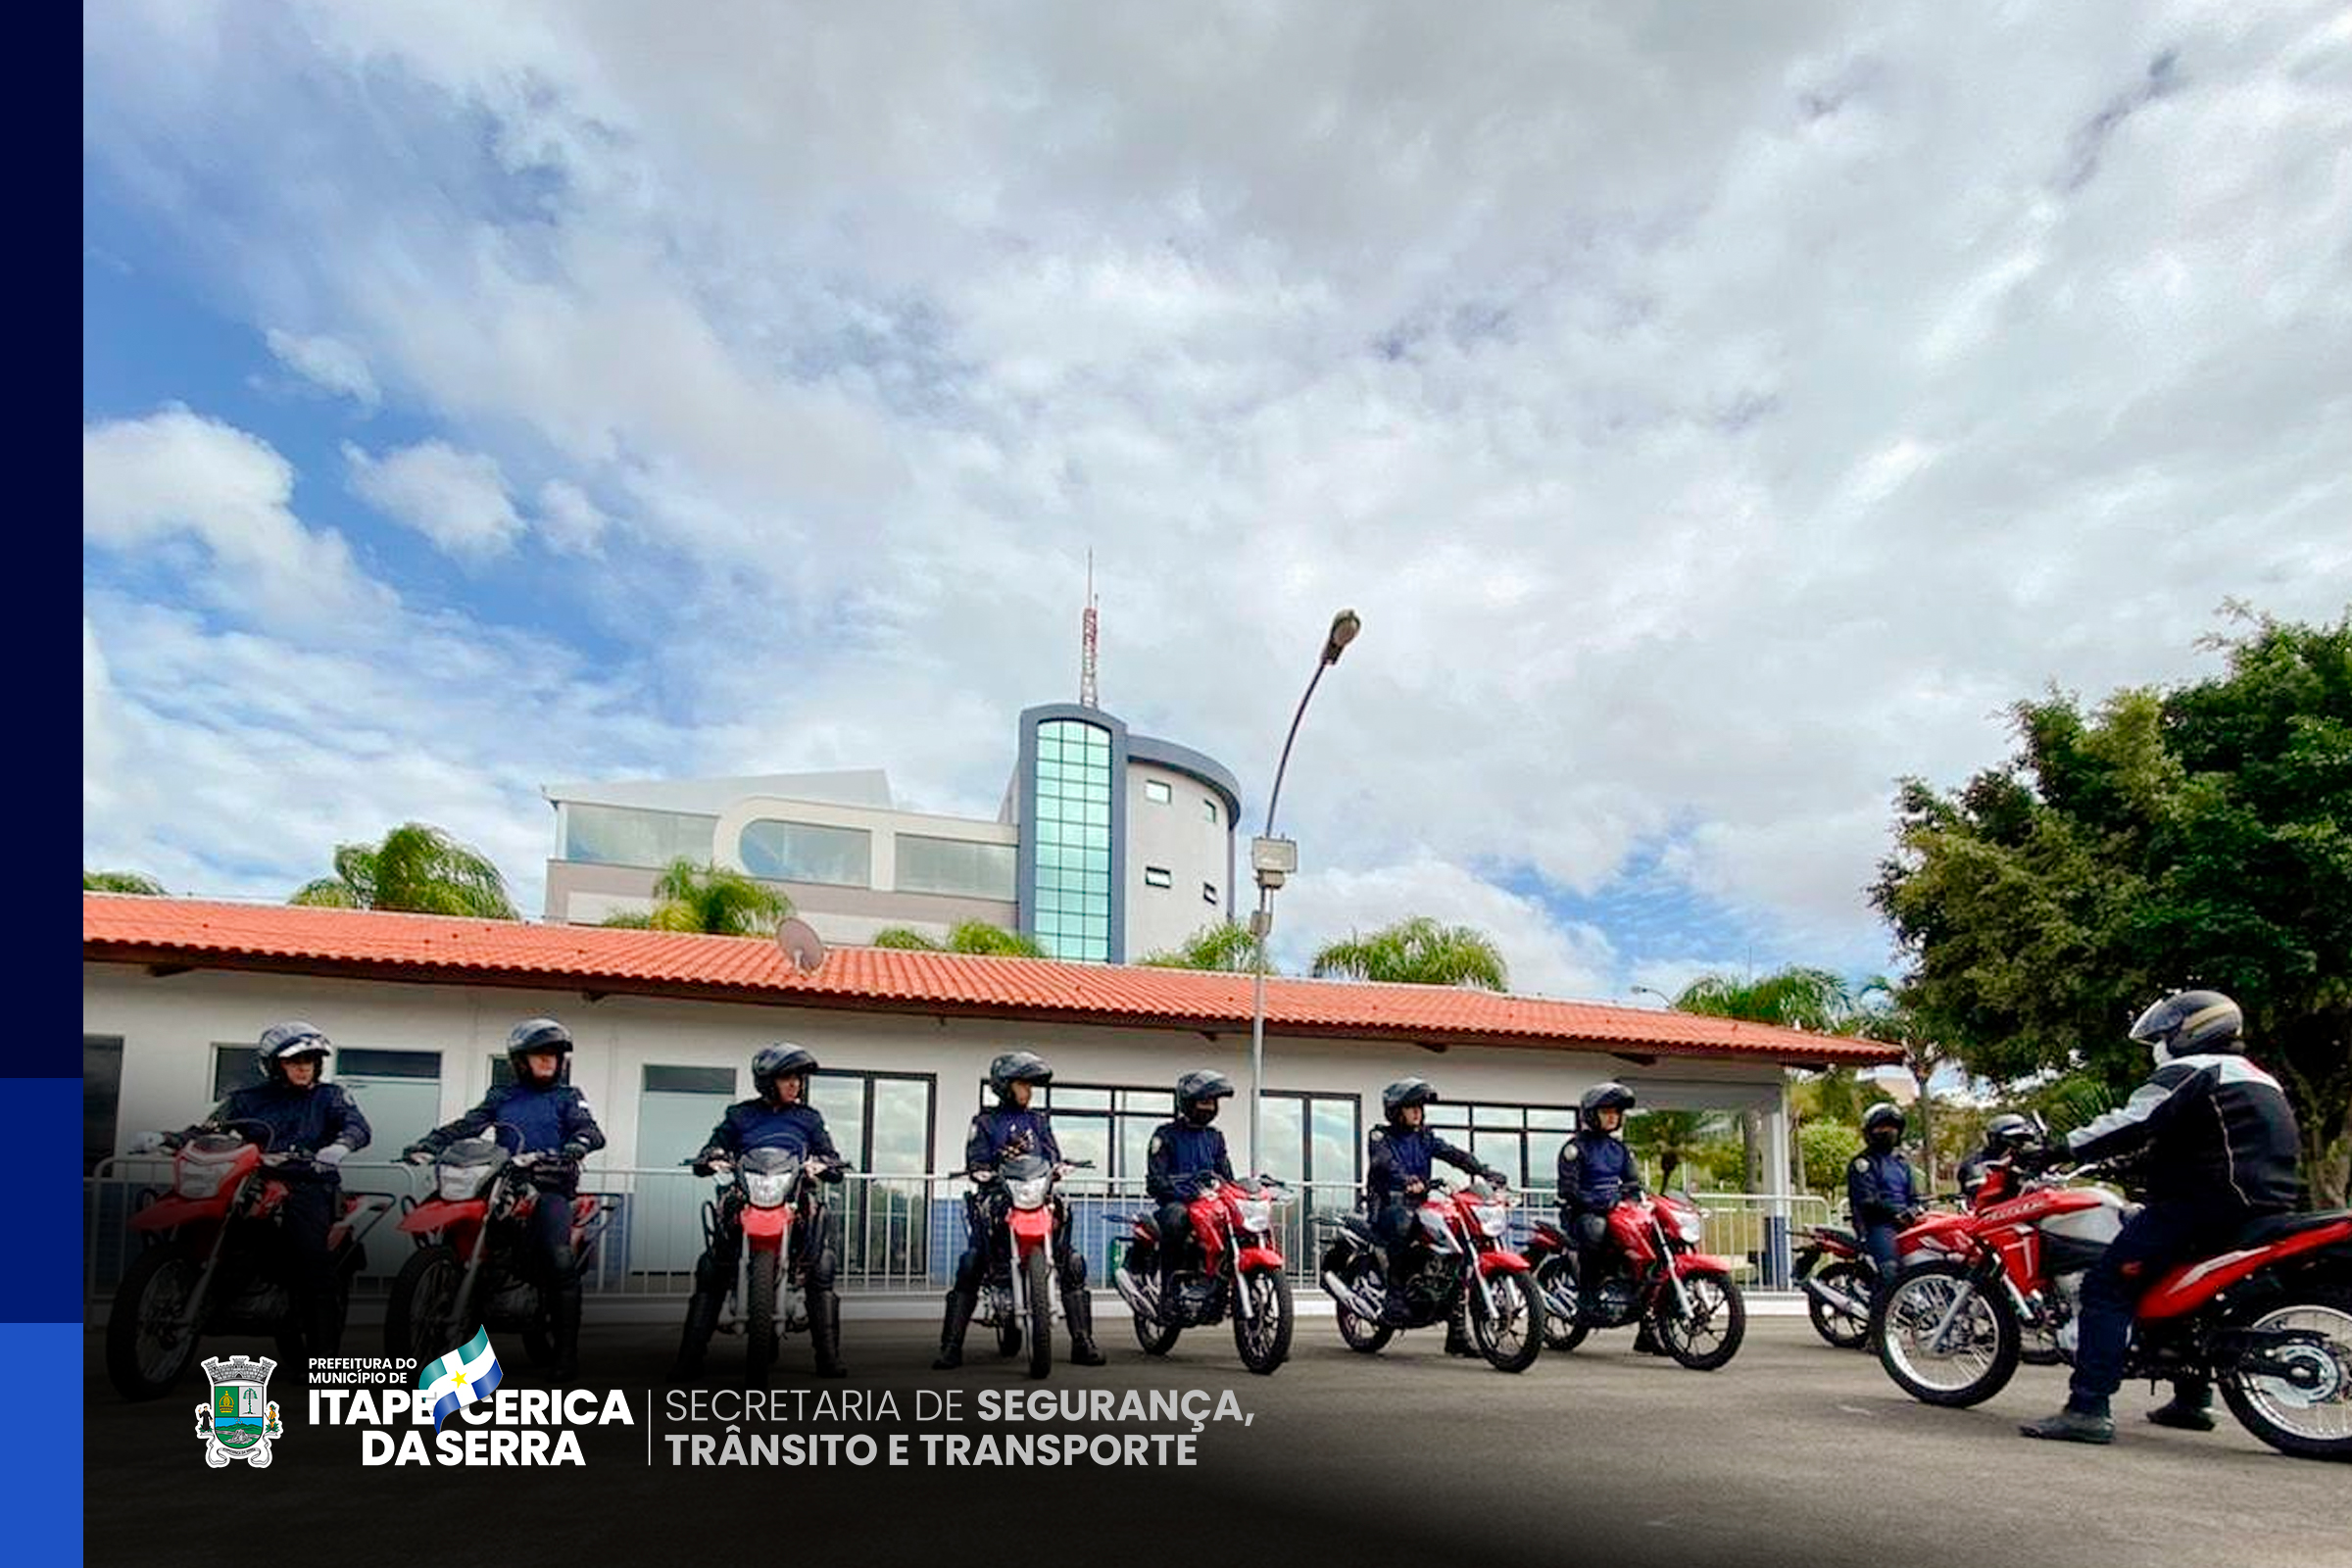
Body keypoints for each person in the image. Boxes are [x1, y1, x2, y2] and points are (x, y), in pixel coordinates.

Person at [2020, 990, 2302, 1445]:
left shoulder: (2195, 1068)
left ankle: (2088, 1408)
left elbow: (2132, 1120)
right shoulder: (2254, 1075)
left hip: (2201, 1205)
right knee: (2188, 1297)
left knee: (2107, 1286)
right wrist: (2135, 1166)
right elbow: (2202, 1139)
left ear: (2190, 1031)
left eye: (2166, 1032)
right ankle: (2192, 1400)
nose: (2159, 1042)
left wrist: (2059, 1149)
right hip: (2256, 1203)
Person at [406, 1018, 606, 1382]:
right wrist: (430, 1144)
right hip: (501, 1180)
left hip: (550, 1185)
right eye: (539, 1055)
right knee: (456, 1231)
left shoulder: (568, 1096)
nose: (548, 1062)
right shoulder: (502, 1095)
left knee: (557, 1256)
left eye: (553, 1056)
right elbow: (469, 1124)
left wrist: (576, 1146)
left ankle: (565, 1354)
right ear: (520, 1061)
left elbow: (589, 1130)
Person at [191, 1021, 370, 1358]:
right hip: (252, 1182)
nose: (304, 1068)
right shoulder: (246, 1099)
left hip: (308, 1183)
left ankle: (325, 1360)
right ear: (274, 1065)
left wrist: (340, 1146)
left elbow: (356, 1125)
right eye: (294, 1061)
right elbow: (209, 1129)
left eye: (310, 1060)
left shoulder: (329, 1096)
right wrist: (169, 1139)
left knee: (313, 1265)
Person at [671, 1044, 848, 1381]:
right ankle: (688, 1359)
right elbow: (715, 1143)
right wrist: (712, 1155)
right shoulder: (740, 1115)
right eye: (786, 1076)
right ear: (767, 1081)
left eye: (798, 1077)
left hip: (793, 1196)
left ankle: (828, 1358)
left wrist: (824, 1164)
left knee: (821, 1263)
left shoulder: (809, 1118)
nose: (795, 1083)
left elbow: (829, 1152)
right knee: (712, 1266)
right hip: (747, 1193)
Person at [931, 1051, 1104, 1370]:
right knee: (971, 1263)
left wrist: (1059, 1168)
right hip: (1000, 1196)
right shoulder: (984, 1122)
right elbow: (977, 1159)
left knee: (1074, 1261)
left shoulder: (1038, 1121)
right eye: (1023, 1084)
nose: (1028, 1091)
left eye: (1030, 1085)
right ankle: (951, 1346)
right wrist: (981, 1170)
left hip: (1036, 1196)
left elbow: (1051, 1155)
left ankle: (1083, 1341)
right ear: (1004, 1086)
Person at [1365, 1079, 1508, 1326]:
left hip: (1417, 1205)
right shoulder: (1381, 1136)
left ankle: (1457, 1333)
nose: (1417, 1112)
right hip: (1388, 1204)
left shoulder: (1425, 1137)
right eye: (1411, 1107)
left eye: (1420, 1107)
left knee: (1456, 1242)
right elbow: (1384, 1163)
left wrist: (1484, 1171)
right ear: (1396, 1111)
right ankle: (1395, 1296)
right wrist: (1406, 1179)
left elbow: (1453, 1154)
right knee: (1403, 1222)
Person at [1556, 1082, 1651, 1341]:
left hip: (1613, 1212)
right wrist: (1601, 1202)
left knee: (1649, 1235)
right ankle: (1586, 1297)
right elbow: (1569, 1190)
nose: (1612, 1116)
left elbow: (1633, 1184)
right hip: (1582, 1214)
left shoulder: (1619, 1149)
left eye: (1616, 1111)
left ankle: (1649, 1327)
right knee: (1596, 1229)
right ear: (1591, 1114)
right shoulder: (1574, 1148)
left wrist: (1637, 1200)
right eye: (1606, 1110)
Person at [1144, 1070, 1238, 1304]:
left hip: (1208, 1206)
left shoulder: (1215, 1137)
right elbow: (1156, 1180)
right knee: (1177, 1219)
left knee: (1236, 1222)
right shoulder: (1165, 1135)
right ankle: (1170, 1291)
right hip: (1177, 1204)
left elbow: (1227, 1176)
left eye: (1212, 1102)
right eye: (1203, 1101)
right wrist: (1185, 1192)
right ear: (1187, 1102)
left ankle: (1221, 1280)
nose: (1209, 1107)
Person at [1846, 1102, 1924, 1308]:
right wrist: (1896, 1214)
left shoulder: (1902, 1163)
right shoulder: (1862, 1163)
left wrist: (1914, 1211)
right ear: (1869, 1131)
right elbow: (1867, 1200)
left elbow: (1915, 1197)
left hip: (1907, 1223)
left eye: (1892, 1127)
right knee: (1890, 1273)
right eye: (1881, 1127)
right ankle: (1878, 1325)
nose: (1888, 1132)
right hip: (1878, 1225)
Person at [1956, 1113, 2036, 1210]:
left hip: (2028, 1208)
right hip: (1991, 1215)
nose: (2022, 1144)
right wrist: (2014, 1176)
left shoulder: (2026, 1160)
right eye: (2017, 1139)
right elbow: (1981, 1193)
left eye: (2024, 1140)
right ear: (1996, 1139)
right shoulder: (1976, 1163)